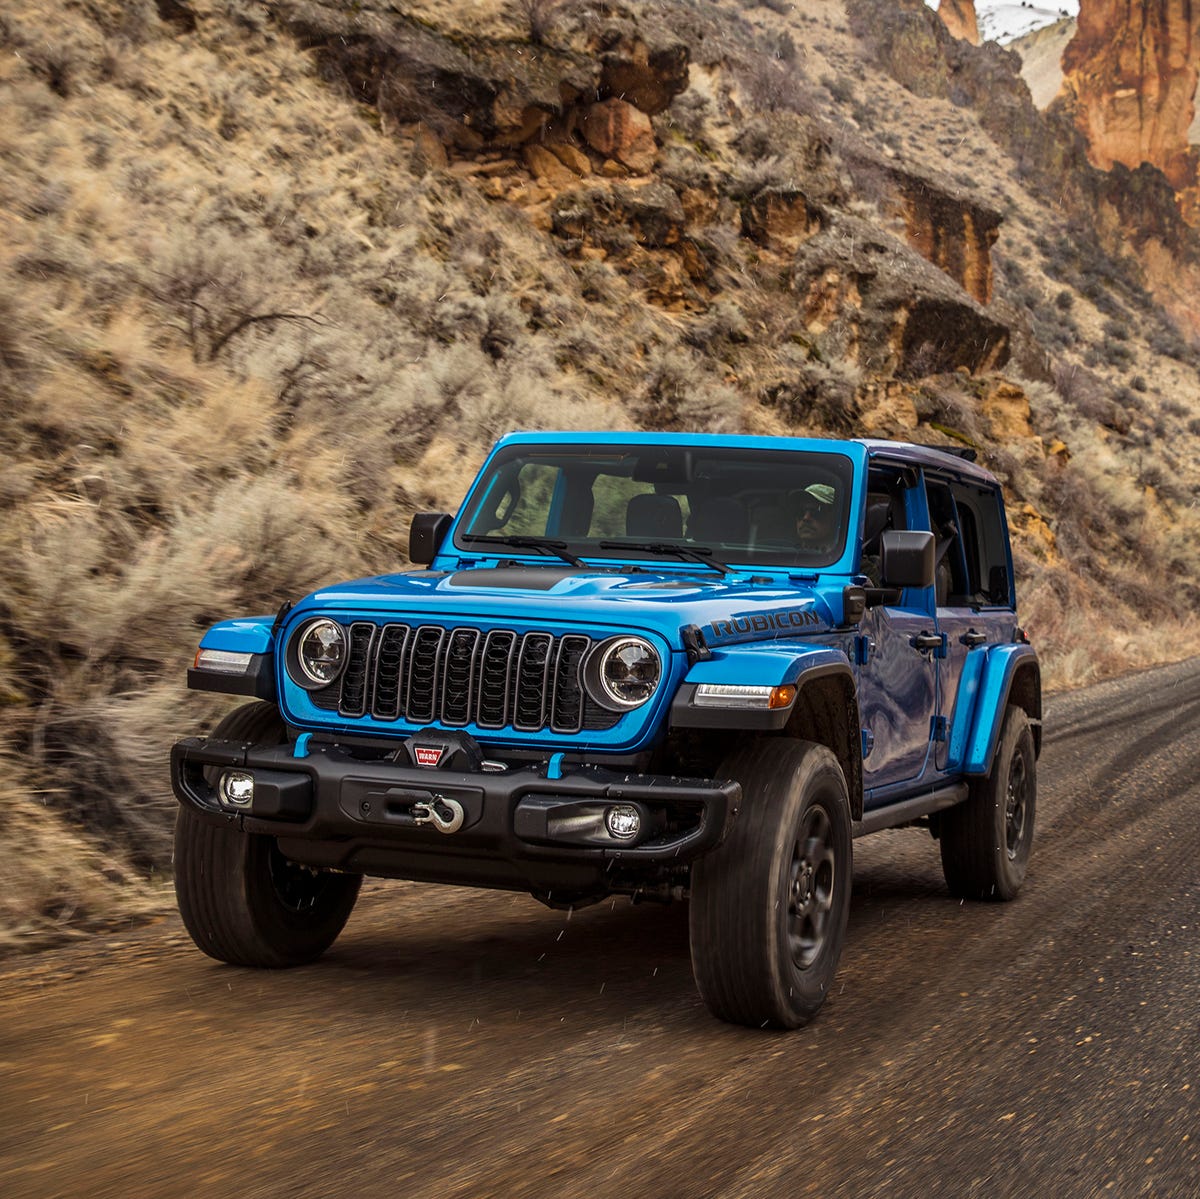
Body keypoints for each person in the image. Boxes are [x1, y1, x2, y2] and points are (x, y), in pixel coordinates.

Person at [791, 483, 839, 552]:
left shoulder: (842, 558)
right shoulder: (784, 555)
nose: (806, 518)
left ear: (833, 517)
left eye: (816, 512)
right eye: (800, 512)